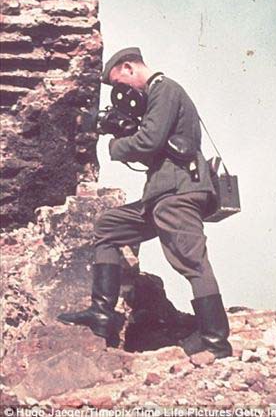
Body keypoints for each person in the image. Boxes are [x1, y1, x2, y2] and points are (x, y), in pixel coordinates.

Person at [58, 47, 232, 358]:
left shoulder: (164, 90)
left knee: (192, 261)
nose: (121, 91)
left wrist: (114, 145)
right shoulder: (155, 97)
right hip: (161, 196)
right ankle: (101, 314)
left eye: (119, 83)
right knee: (108, 227)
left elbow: (149, 141)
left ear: (129, 68)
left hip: (178, 194)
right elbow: (154, 144)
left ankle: (215, 341)